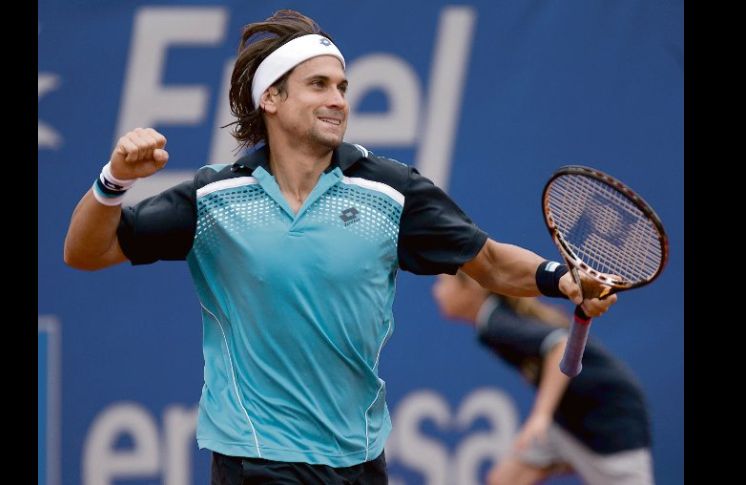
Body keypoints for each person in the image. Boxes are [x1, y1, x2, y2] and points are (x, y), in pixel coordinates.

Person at [63, 9, 617, 484]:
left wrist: (560, 277)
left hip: (357, 459)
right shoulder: (215, 199)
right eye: (319, 85)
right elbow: (86, 252)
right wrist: (113, 181)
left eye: (343, 87)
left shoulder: (390, 189)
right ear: (272, 99)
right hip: (256, 457)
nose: (338, 100)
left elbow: (490, 261)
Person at [432, 271, 653, 485]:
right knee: (504, 480)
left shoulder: (496, 323)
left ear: (470, 289)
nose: (436, 292)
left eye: (443, 283)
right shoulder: (493, 319)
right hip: (568, 418)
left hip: (609, 418)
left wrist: (541, 415)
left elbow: (559, 345)